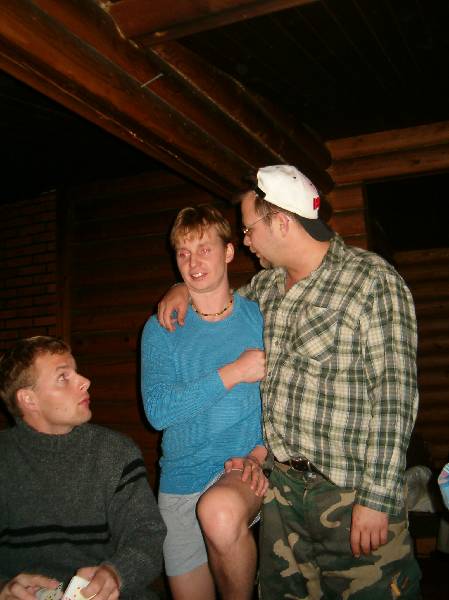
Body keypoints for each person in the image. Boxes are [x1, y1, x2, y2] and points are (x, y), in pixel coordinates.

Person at [157, 165, 422, 599]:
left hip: (349, 490)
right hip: (281, 494)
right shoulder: (265, 289)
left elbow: (395, 396)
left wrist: (377, 498)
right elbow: (215, 298)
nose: (245, 241)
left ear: (280, 222)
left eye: (248, 229)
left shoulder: (369, 280)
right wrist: (180, 287)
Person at [141, 204, 268, 600]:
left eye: (204, 249)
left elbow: (282, 398)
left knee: (221, 512)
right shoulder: (162, 327)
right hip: (179, 482)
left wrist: (260, 454)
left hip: (239, 470)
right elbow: (158, 411)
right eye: (183, 253)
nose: (193, 262)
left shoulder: (260, 317)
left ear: (229, 252)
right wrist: (235, 372)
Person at [0, 336, 166, 600]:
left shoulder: (115, 452)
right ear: (29, 400)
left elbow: (146, 533)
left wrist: (116, 574)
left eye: (76, 371)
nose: (85, 381)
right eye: (63, 377)